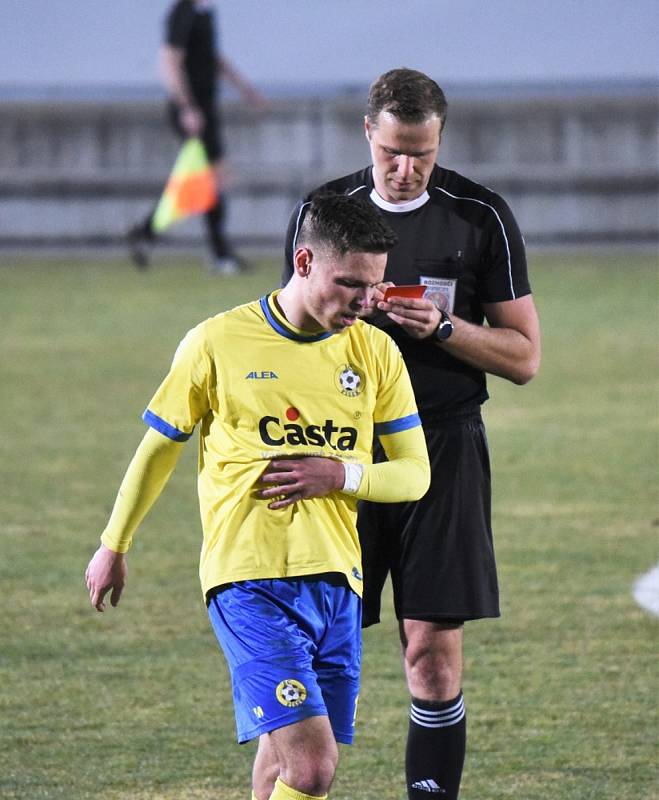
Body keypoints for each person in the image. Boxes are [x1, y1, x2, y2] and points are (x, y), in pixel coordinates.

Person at [85, 193, 431, 800]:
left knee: (280, 762)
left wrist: (341, 476)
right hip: (249, 583)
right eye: (349, 282)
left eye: (373, 286)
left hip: (337, 582)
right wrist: (114, 543)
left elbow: (414, 474)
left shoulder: (376, 352)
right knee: (313, 766)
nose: (363, 301)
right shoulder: (217, 342)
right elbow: (159, 446)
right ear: (303, 261)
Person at [283, 68, 541, 800]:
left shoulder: (477, 215)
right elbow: (285, 333)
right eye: (392, 151)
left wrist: (447, 328)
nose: (404, 169)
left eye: (421, 155)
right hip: (337, 452)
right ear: (368, 131)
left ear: (439, 140)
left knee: (430, 653)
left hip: (441, 448)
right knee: (307, 653)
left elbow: (523, 357)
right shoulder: (323, 212)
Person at [128, 0, 263, 274]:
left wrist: (243, 88)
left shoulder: (204, 12)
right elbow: (169, 60)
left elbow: (212, 57)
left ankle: (147, 233)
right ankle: (219, 254)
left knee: (206, 182)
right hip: (194, 111)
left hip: (205, 109)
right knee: (212, 180)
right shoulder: (184, 11)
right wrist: (187, 108)